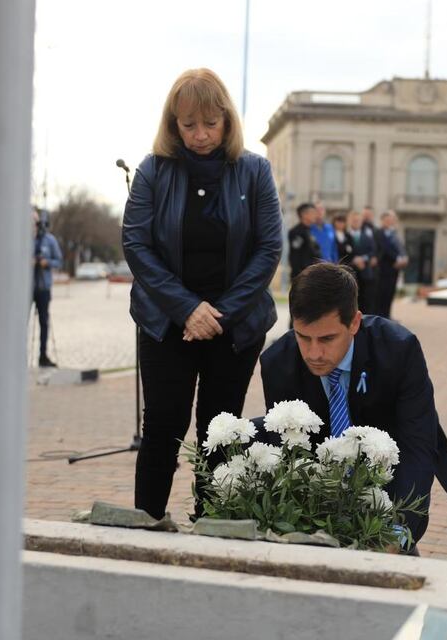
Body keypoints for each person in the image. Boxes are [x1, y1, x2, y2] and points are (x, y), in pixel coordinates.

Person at [122, 68, 282, 520]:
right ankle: (146, 526)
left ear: (227, 121)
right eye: (188, 125)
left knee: (221, 430)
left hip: (235, 326)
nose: (200, 135)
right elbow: (136, 243)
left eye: (210, 124)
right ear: (172, 124)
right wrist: (187, 309)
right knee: (162, 429)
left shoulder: (255, 170)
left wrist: (219, 314)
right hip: (166, 322)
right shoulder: (153, 170)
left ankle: (211, 526)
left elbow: (269, 248)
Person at [259, 263, 447, 549]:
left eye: (327, 339)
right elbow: (291, 455)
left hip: (389, 478)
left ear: (354, 323)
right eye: (304, 337)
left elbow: (417, 447)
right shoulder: (278, 363)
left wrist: (397, 532)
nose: (314, 353)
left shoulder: (399, 350)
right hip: (319, 491)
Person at [32, 206, 63, 368]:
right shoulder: (25, 239)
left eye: (37, 222)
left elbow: (59, 261)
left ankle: (43, 355)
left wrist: (47, 263)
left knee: (44, 322)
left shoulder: (50, 240)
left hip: (43, 287)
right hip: (27, 287)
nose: (36, 225)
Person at [374, 210, 408, 319]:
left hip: (394, 269)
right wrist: (397, 259)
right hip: (384, 269)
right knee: (381, 294)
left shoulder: (394, 233)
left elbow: (400, 248)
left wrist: (404, 257)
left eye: (392, 220)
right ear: (382, 220)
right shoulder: (378, 233)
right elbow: (385, 249)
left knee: (390, 293)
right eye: (387, 220)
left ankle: (387, 316)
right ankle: (381, 317)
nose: (390, 222)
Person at [347, 209, 378, 314]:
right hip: (350, 273)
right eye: (354, 220)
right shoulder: (345, 236)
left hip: (365, 273)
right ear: (349, 221)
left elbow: (373, 252)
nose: (356, 222)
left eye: (358, 220)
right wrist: (354, 260)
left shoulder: (367, 237)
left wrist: (363, 259)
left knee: (366, 301)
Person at [289, 202, 322, 281]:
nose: (315, 215)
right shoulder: (297, 232)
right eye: (313, 212)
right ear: (304, 215)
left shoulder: (309, 231)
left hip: (311, 274)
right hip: (303, 276)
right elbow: (295, 256)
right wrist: (300, 275)